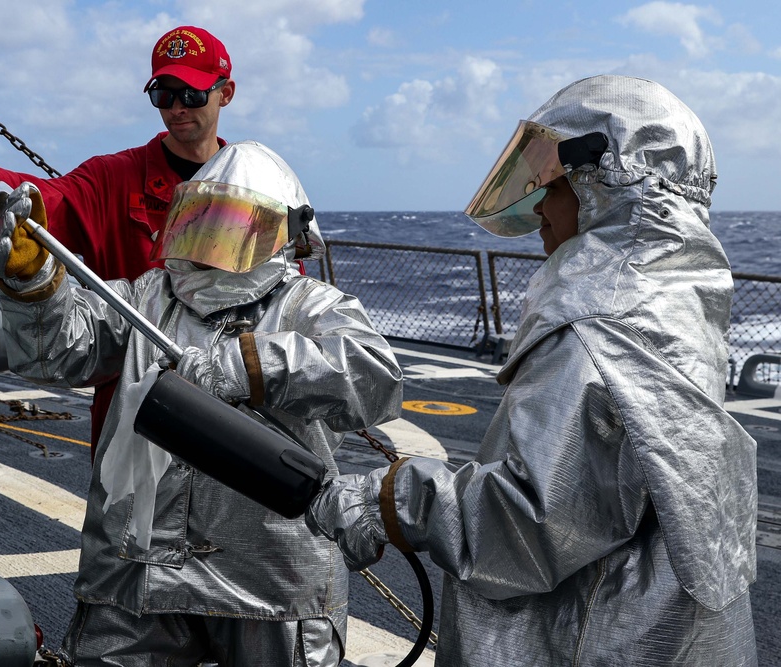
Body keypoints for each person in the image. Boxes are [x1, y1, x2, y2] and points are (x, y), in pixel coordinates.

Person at [306, 75, 759, 665]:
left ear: (603, 183)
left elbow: (533, 523)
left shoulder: (598, 322)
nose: (541, 206)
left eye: (555, 186)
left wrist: (387, 500)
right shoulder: (671, 298)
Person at [0, 140, 404, 665]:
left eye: (234, 227)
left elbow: (375, 376)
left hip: (273, 583)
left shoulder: (310, 306)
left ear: (285, 233)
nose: (215, 241)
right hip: (138, 571)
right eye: (206, 221)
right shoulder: (149, 297)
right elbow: (56, 353)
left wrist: (246, 365)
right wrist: (34, 283)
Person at [0, 25, 235, 455]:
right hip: (134, 417)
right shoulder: (115, 178)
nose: (176, 108)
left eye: (191, 94)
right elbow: (48, 199)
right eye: (164, 94)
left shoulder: (249, 192)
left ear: (225, 93)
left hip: (232, 411)